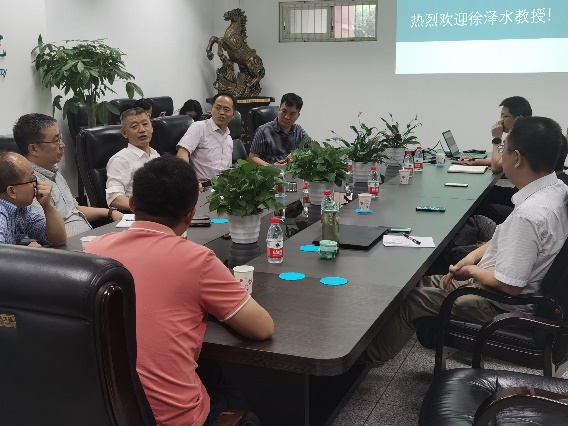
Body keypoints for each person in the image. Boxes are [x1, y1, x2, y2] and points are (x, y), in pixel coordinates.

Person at [362, 116, 568, 366]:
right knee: (422, 282)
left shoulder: (530, 214)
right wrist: (472, 257)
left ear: (516, 158)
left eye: (504, 149)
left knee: (412, 299)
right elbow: (507, 236)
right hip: (503, 286)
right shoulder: (555, 190)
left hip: (501, 304)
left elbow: (509, 286)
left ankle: (366, 360)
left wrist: (471, 271)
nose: (500, 156)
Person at [86, 156, 274, 426]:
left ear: (132, 205)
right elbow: (262, 328)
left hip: (104, 410)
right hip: (175, 420)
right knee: (232, 392)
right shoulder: (198, 260)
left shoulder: (95, 249)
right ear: (190, 215)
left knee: (210, 371)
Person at [13, 113, 123, 235]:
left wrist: (110, 212)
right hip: (72, 243)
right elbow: (49, 233)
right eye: (56, 140)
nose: (62, 145)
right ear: (34, 149)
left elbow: (73, 210)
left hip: (87, 236)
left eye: (60, 138)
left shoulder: (53, 172)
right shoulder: (29, 185)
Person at [0, 151, 67, 246]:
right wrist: (25, 253)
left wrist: (47, 206)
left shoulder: (22, 210)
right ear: (12, 192)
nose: (36, 184)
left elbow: (59, 240)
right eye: (31, 180)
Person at [106, 107, 160, 211]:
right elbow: (114, 198)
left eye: (145, 124)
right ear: (124, 133)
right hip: (139, 213)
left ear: (152, 128)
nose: (142, 130)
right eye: (134, 126)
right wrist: (147, 209)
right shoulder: (120, 159)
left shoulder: (155, 154)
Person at [176, 92, 236, 184]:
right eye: (218, 108)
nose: (221, 112)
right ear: (211, 108)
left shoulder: (229, 139)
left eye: (226, 109)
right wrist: (190, 181)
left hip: (223, 186)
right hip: (202, 186)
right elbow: (182, 154)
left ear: (233, 114)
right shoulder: (199, 127)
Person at [460, 96, 533, 172]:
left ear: (519, 119)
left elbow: (496, 167)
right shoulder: (523, 134)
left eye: (504, 116)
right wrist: (474, 161)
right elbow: (503, 161)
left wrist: (496, 139)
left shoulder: (524, 140)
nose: (501, 121)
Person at [249, 93, 311, 166]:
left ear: (298, 115)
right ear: (279, 110)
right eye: (284, 111)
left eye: (292, 114)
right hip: (270, 171)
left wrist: (297, 153)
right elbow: (252, 158)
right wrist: (271, 167)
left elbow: (312, 150)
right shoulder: (263, 131)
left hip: (292, 172)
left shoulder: (299, 131)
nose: (287, 117)